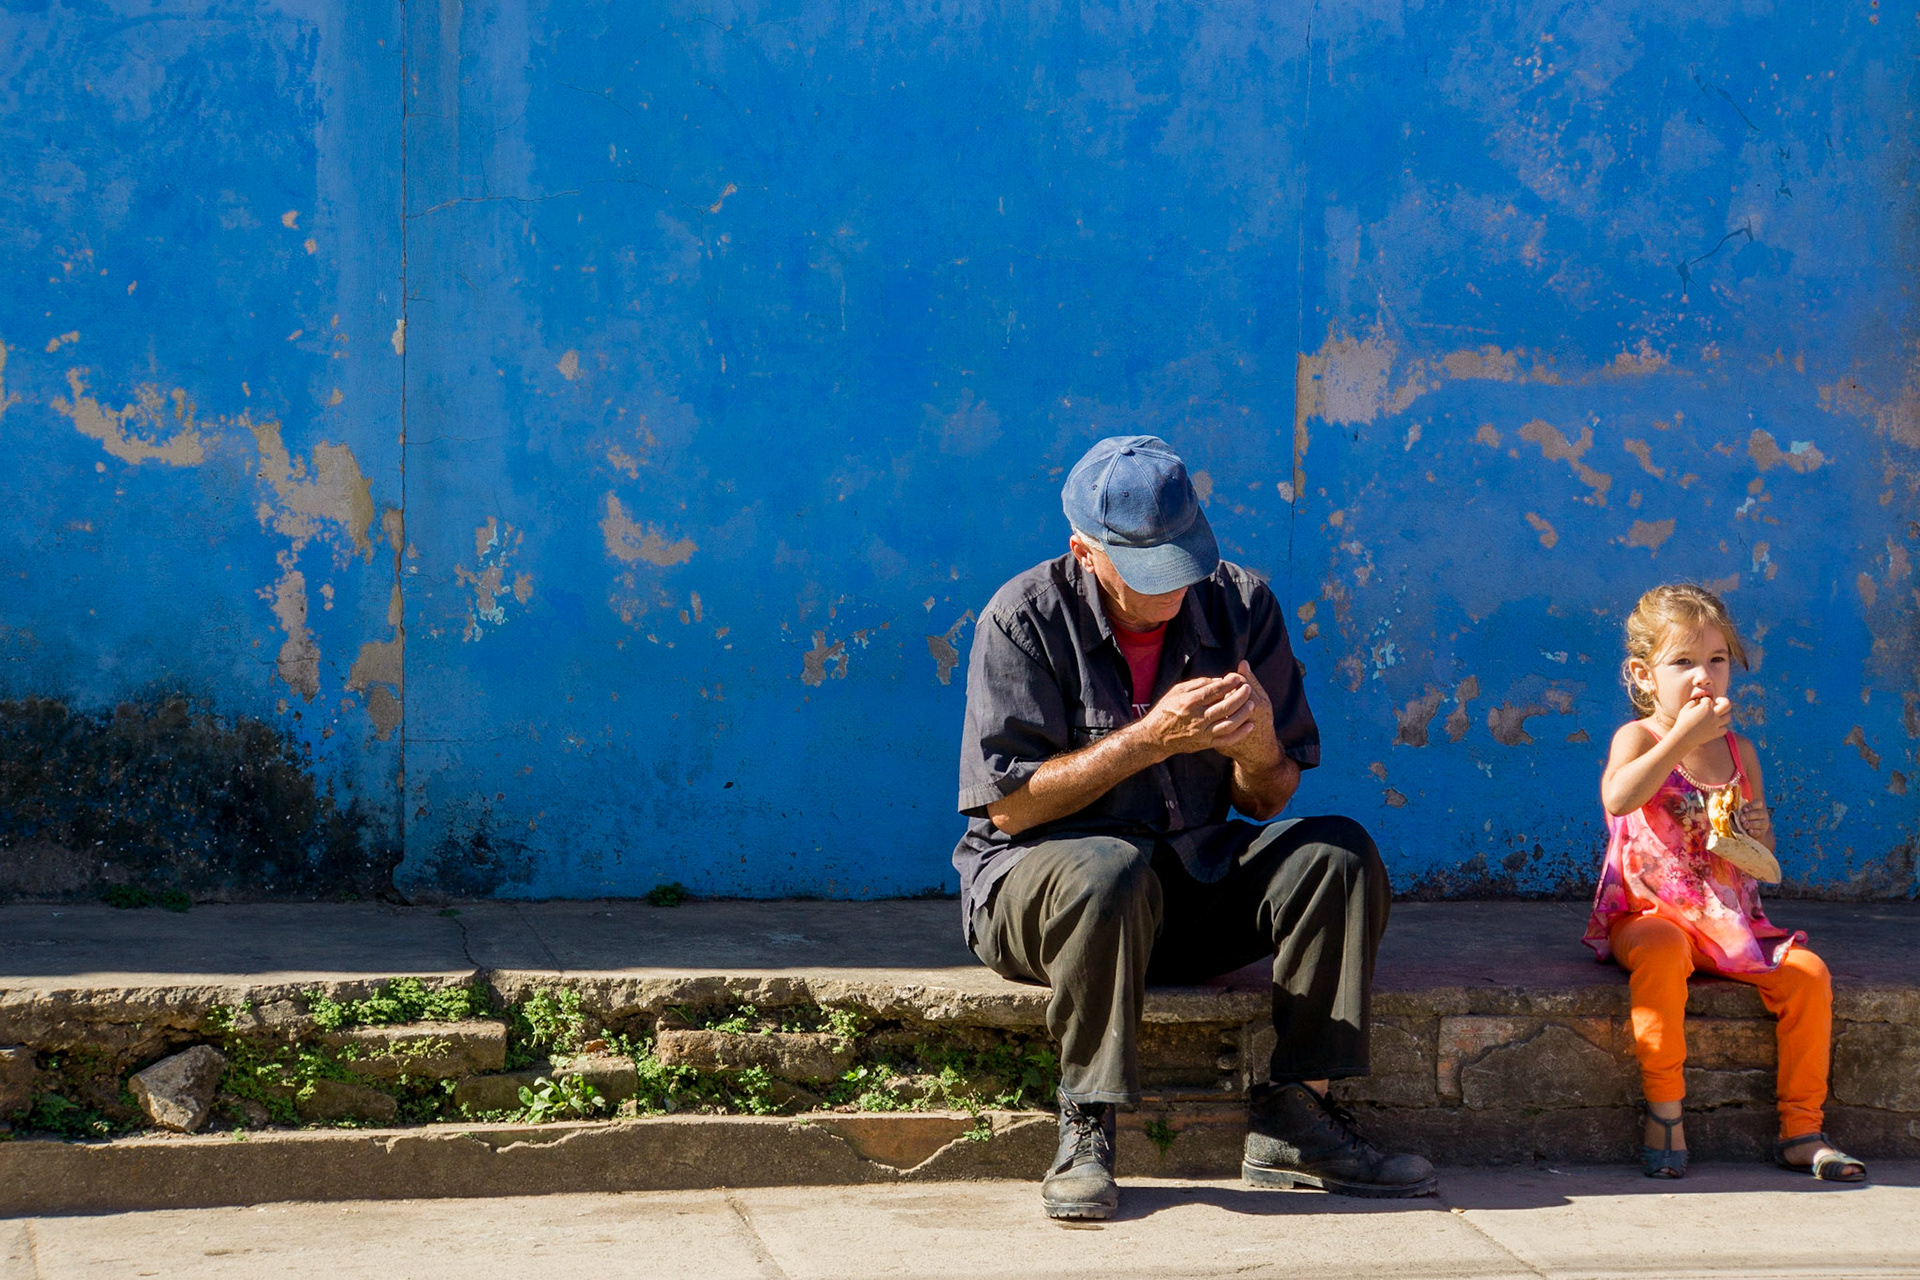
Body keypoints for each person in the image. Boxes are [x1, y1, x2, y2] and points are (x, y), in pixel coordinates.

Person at [952, 434, 1435, 1220]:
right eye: (1147, 570)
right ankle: (1086, 1126)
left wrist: (1259, 747)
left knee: (1338, 854)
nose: (1172, 586)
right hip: (1042, 898)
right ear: (1084, 552)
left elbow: (1267, 800)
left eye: (1183, 560)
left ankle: (1297, 1118)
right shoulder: (1024, 618)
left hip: (1183, 885)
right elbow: (1009, 807)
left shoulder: (1241, 605)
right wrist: (1146, 741)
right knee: (1107, 869)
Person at [1583, 583, 1865, 1182]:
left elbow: (1757, 858)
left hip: (1729, 923)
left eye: (1716, 659)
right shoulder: (1640, 738)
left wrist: (1759, 832)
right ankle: (1665, 1113)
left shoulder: (1741, 752)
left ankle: (1802, 1130)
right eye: (1682, 662)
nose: (1703, 675)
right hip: (1649, 917)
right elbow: (1619, 797)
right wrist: (1683, 738)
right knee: (1662, 951)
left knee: (1809, 976)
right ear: (1643, 675)